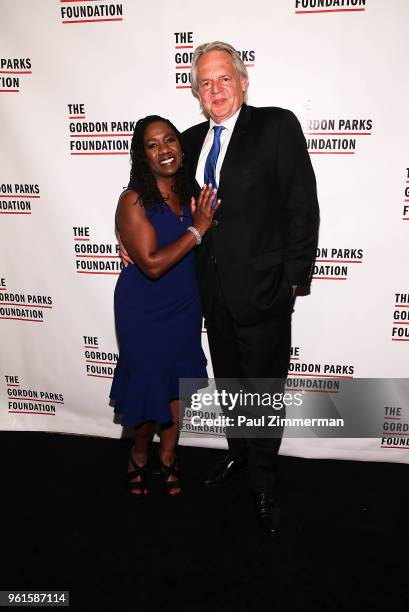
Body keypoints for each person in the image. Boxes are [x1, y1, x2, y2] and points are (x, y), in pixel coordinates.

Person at [180, 41, 320, 533]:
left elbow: (302, 204)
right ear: (197, 94)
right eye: (205, 83)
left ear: (242, 82)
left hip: (264, 290)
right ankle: (239, 456)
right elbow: (162, 197)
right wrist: (132, 236)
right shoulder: (192, 138)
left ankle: (265, 483)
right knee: (232, 385)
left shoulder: (276, 126)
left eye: (224, 79)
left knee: (262, 391)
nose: (215, 90)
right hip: (212, 292)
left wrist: (293, 281)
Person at [110, 115, 219, 497]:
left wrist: (200, 222)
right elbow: (152, 264)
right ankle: (139, 454)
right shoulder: (134, 199)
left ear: (181, 146)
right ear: (142, 156)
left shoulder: (192, 192)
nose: (164, 150)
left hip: (185, 303)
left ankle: (169, 456)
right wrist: (197, 229)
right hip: (144, 307)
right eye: (152, 145)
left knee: (175, 386)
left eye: (169, 140)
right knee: (147, 386)